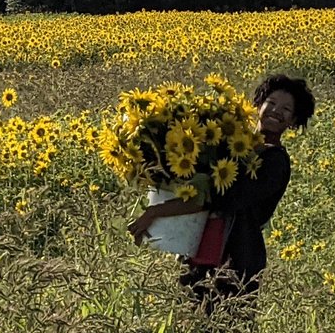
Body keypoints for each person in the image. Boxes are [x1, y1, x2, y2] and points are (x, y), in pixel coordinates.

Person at [127, 74, 314, 309]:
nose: (276, 111)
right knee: (189, 321)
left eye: (286, 109)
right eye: (272, 103)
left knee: (224, 330)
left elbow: (219, 199)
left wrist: (155, 212)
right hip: (199, 251)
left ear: (293, 120)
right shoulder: (232, 141)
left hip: (234, 260)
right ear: (258, 104)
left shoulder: (275, 161)